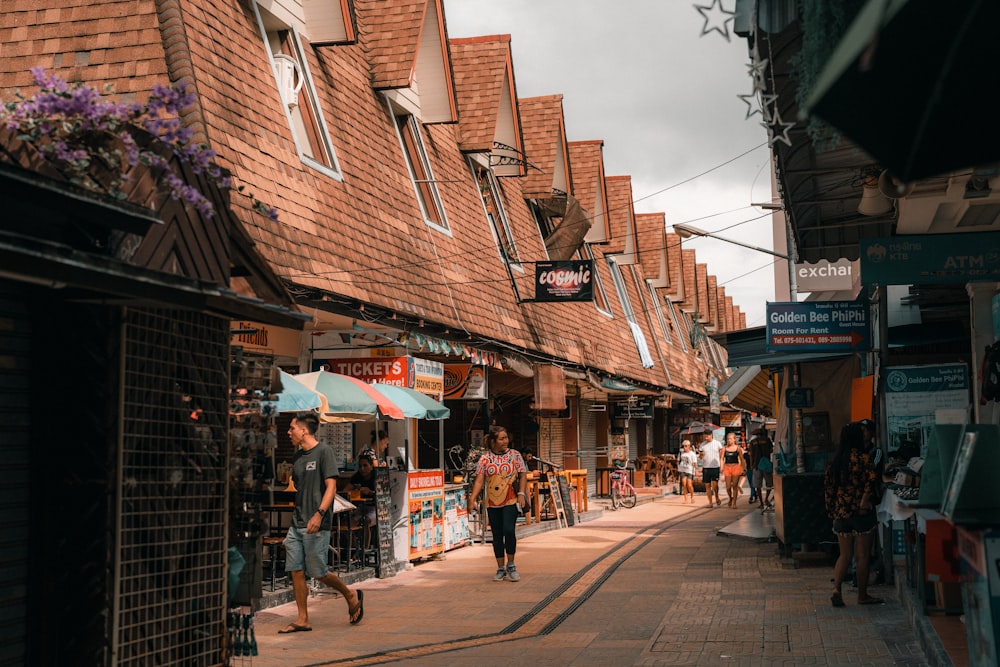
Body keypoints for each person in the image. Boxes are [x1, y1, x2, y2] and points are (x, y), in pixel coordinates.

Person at [279, 412, 364, 633]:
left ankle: (349, 594)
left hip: (317, 521)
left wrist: (319, 514)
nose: (288, 433)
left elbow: (331, 488)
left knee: (318, 572)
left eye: (291, 428)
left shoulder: (324, 452)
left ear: (303, 430)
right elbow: (299, 486)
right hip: (297, 522)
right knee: (295, 570)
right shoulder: (297, 457)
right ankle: (302, 618)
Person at [824, 421, 883, 607]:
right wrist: (865, 500)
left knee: (845, 555)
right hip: (861, 514)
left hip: (841, 514)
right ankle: (862, 596)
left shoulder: (835, 462)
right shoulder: (864, 459)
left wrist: (832, 511)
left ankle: (837, 589)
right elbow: (871, 483)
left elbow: (829, 490)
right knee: (863, 556)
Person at [467, 426, 528, 582]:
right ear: (493, 441)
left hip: (511, 499)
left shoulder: (515, 455)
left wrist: (521, 493)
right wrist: (472, 498)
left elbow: (522, 475)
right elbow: (480, 480)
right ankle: (500, 567)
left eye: (506, 437)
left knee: (509, 530)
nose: (505, 441)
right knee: (496, 535)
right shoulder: (485, 458)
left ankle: (512, 564)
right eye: (501, 438)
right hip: (492, 502)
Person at [346, 454, 378, 547]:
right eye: (360, 466)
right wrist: (354, 489)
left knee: (365, 521)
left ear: (371, 466)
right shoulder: (357, 476)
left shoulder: (377, 477)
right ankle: (356, 549)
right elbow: (345, 490)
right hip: (361, 507)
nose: (362, 469)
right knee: (346, 523)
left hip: (375, 508)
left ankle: (364, 551)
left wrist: (371, 492)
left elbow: (382, 494)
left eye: (365, 466)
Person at [748, 428, 774, 510]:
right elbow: (771, 450)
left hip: (756, 465)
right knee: (769, 484)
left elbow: (751, 454)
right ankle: (766, 499)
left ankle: (761, 503)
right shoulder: (767, 440)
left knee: (757, 485)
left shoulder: (753, 442)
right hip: (766, 465)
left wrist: (752, 465)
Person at [698, 431, 723, 507]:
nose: (706, 438)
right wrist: (701, 455)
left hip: (715, 466)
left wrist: (722, 465)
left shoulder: (718, 443)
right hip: (706, 467)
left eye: (707, 436)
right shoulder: (702, 445)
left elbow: (721, 454)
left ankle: (716, 496)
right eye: (705, 436)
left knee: (715, 485)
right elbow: (700, 457)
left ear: (711, 435)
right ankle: (710, 502)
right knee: (707, 485)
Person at [721, 432, 744, 508]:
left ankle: (734, 503)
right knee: (728, 487)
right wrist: (721, 468)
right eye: (728, 439)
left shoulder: (738, 448)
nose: (729, 440)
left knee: (734, 485)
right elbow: (721, 458)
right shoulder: (724, 448)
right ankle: (730, 497)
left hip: (736, 467)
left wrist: (743, 468)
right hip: (727, 467)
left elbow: (741, 458)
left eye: (731, 439)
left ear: (734, 439)